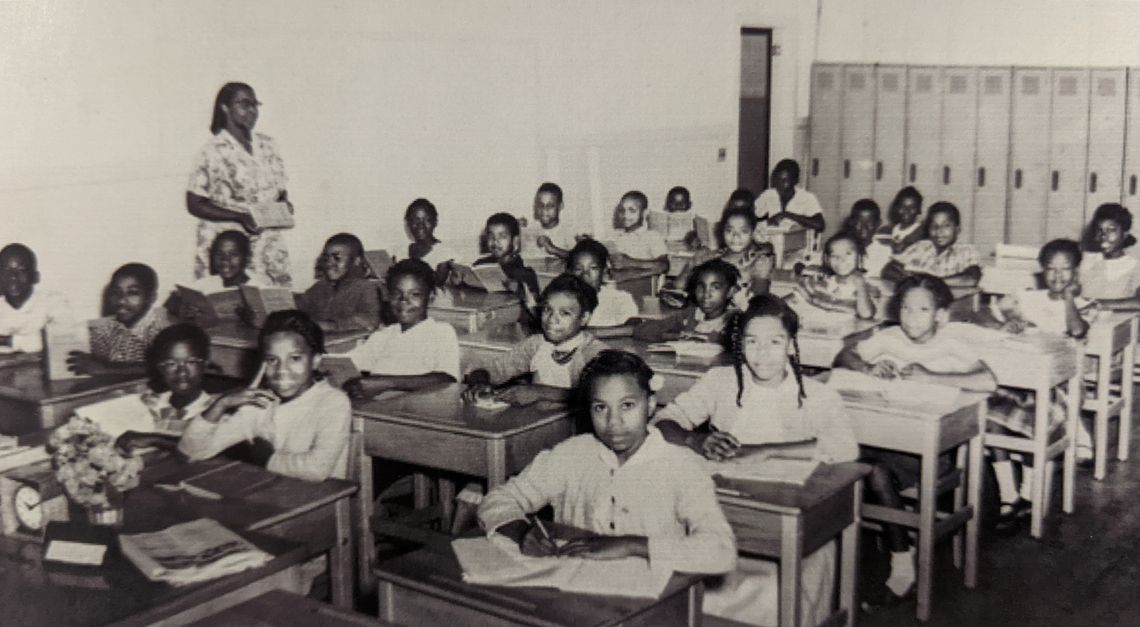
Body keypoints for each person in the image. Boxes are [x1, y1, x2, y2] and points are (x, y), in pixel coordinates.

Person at [653, 294, 858, 625]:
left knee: (772, 595)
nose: (762, 353)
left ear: (791, 345)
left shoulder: (818, 395)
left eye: (774, 341)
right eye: (752, 341)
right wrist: (696, 439)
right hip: (722, 517)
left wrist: (767, 449)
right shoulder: (720, 382)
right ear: (740, 345)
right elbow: (664, 423)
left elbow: (845, 447)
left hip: (797, 527)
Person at [476, 350, 736, 577]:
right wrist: (521, 532)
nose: (614, 422)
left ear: (651, 405)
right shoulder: (573, 453)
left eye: (627, 406)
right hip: (575, 587)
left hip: (651, 598)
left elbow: (721, 551)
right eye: (601, 408)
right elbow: (498, 499)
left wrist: (633, 544)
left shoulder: (681, 466)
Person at [834, 274, 996, 605]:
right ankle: (891, 549)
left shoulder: (951, 345)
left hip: (931, 453)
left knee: (873, 470)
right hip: (883, 439)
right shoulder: (890, 337)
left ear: (941, 315)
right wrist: (867, 369)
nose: (911, 317)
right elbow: (843, 356)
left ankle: (902, 563)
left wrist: (931, 376)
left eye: (922, 310)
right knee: (859, 461)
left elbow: (989, 380)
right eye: (906, 309)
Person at [179, 309, 351, 482]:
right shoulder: (259, 402)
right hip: (270, 494)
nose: (281, 370)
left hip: (323, 502)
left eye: (295, 358)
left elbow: (316, 470)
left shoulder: (333, 402)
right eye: (272, 360)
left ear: (315, 360)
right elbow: (192, 451)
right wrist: (221, 404)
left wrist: (266, 458)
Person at [187, 82, 293, 286]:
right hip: (229, 247)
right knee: (229, 304)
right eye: (245, 104)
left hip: (267, 242)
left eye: (255, 104)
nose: (252, 110)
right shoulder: (212, 151)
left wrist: (283, 204)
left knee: (273, 302)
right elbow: (194, 203)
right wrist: (239, 216)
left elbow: (278, 189)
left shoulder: (268, 145)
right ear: (225, 107)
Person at [462, 274, 607, 406]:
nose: (551, 319)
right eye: (547, 310)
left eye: (564, 313)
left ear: (584, 318)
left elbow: (601, 395)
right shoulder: (537, 345)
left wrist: (540, 392)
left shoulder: (595, 353)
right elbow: (490, 368)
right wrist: (480, 383)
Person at [342, 259, 460, 399]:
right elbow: (347, 362)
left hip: (418, 413)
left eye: (415, 294)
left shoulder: (441, 332)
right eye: (396, 294)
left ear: (431, 296)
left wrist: (386, 383)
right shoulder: (383, 336)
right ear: (387, 296)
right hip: (377, 410)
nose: (404, 301)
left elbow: (447, 379)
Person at [114, 323, 218, 453]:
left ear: (206, 363)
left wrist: (155, 439)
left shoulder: (215, 410)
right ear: (160, 367)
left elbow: (209, 446)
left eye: (191, 362)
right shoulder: (150, 403)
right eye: (171, 364)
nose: (182, 372)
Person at [69, 263, 171, 376]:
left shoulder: (163, 327)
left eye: (133, 293)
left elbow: (166, 365)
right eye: (116, 293)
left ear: (151, 298)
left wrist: (106, 369)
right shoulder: (106, 328)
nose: (121, 300)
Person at [165, 230, 264, 323]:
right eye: (219, 254)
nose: (225, 259)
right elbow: (171, 303)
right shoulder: (207, 284)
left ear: (247, 258)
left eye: (233, 254)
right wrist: (183, 309)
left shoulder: (260, 289)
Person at [634, 259, 739, 345]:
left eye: (715, 288)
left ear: (730, 292)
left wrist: (710, 338)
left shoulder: (736, 320)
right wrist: (673, 336)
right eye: (701, 287)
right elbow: (642, 330)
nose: (706, 294)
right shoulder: (690, 315)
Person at [296, 233, 381, 333]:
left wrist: (332, 325)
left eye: (337, 258)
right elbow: (301, 305)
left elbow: (370, 320)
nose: (329, 263)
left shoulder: (366, 288)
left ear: (356, 261)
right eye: (326, 258)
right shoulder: (321, 286)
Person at [882, 201, 981, 287]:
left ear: (957, 229)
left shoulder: (966, 251)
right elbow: (888, 269)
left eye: (946, 226)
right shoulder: (920, 247)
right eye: (934, 226)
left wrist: (931, 283)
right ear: (928, 229)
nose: (939, 231)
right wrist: (911, 281)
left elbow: (971, 279)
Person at [787, 231, 879, 321]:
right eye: (835, 256)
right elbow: (788, 301)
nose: (841, 260)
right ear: (827, 260)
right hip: (815, 332)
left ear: (860, 257)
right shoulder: (817, 282)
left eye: (848, 254)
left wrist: (860, 285)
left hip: (846, 334)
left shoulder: (867, 289)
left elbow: (866, 314)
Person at [472, 212, 542, 328]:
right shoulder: (481, 265)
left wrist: (520, 289)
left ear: (515, 241)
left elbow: (536, 312)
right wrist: (461, 280)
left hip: (517, 327)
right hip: (488, 322)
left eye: (502, 236)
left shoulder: (525, 273)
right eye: (491, 236)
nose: (495, 241)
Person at [0, 243, 70, 353]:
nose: (13, 277)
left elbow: (63, 340)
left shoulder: (53, 302)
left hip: (43, 369)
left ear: (35, 277)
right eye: (6, 270)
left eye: (21, 270)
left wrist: (6, 340)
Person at [566, 239, 638, 330]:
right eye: (578, 269)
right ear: (570, 272)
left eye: (593, 268)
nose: (585, 275)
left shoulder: (620, 299)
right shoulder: (561, 300)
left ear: (604, 271)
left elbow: (633, 327)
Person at [1079, 203, 1140, 307]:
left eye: (1111, 230)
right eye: (1099, 230)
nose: (1104, 236)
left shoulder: (1135, 266)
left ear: (1125, 233)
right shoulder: (1085, 259)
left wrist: (1097, 305)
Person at [755, 159, 825, 233]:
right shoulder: (769, 194)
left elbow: (819, 225)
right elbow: (753, 214)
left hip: (798, 242)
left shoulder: (807, 198)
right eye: (777, 179)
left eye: (785, 181)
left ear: (795, 181)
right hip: (773, 240)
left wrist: (786, 215)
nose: (779, 184)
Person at [609, 191, 669, 276]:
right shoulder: (616, 236)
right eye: (622, 210)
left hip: (644, 285)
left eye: (632, 210)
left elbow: (663, 266)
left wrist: (630, 262)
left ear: (645, 213)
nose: (625, 215)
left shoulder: (652, 236)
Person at [404, 198, 462, 285]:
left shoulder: (446, 254)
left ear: (435, 222)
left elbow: (437, 285)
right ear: (408, 223)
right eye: (415, 220)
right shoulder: (400, 252)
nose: (421, 225)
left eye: (427, 220)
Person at [529, 182, 579, 259]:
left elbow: (577, 258)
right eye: (540, 205)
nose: (544, 210)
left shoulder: (567, 231)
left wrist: (552, 249)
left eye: (550, 206)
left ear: (560, 206)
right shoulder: (532, 229)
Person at [844, 198, 892, 278]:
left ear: (878, 223)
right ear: (851, 222)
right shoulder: (842, 248)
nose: (863, 228)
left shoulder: (885, 252)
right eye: (858, 223)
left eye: (869, 223)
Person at [881, 186, 926, 254]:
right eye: (903, 206)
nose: (907, 211)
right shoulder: (884, 231)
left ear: (919, 210)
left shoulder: (924, 234)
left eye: (912, 207)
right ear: (897, 208)